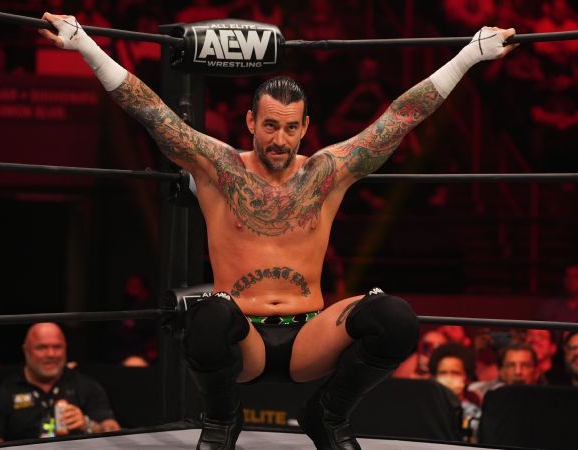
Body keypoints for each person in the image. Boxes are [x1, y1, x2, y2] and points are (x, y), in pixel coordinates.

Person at [38, 14, 516, 449]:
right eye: (269, 126)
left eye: (289, 128)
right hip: (240, 335)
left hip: (310, 337)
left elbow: (400, 117)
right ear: (251, 120)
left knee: (396, 318)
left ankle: (328, 416)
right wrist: (84, 44)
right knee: (206, 315)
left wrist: (470, 55)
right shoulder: (219, 168)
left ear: (305, 127)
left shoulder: (328, 172)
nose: (279, 140)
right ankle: (221, 421)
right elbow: (152, 112)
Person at [0, 323, 121, 444]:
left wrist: (88, 425)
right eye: (42, 347)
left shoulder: (87, 387)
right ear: (26, 350)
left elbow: (116, 438)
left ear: (66, 348)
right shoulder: (1, 394)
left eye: (57, 347)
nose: (51, 354)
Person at [428, 343, 481, 442]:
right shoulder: (428, 410)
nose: (449, 378)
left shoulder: (474, 414)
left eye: (455, 373)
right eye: (443, 373)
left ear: (467, 378)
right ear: (434, 377)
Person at [469, 342, 539, 402]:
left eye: (525, 365)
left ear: (536, 372)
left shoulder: (544, 401)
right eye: (511, 366)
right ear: (501, 372)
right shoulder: (483, 396)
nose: (518, 372)